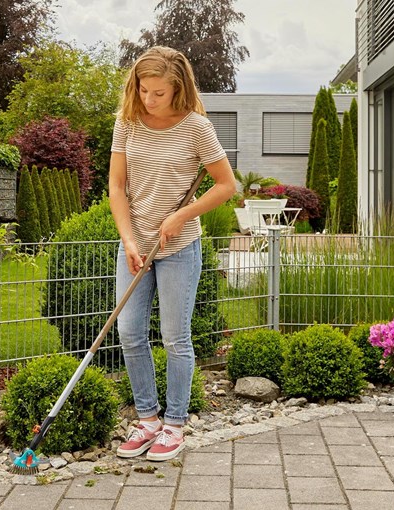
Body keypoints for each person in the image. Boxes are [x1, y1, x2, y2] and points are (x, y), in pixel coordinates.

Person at [109, 46, 237, 461]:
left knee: (174, 337)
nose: (148, 99)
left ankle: (174, 424)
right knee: (129, 331)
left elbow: (225, 185)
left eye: (158, 93)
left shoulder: (197, 128)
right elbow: (116, 187)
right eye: (144, 90)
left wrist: (181, 215)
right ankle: (147, 419)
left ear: (177, 88)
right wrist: (128, 239)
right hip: (135, 245)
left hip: (178, 247)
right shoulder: (127, 123)